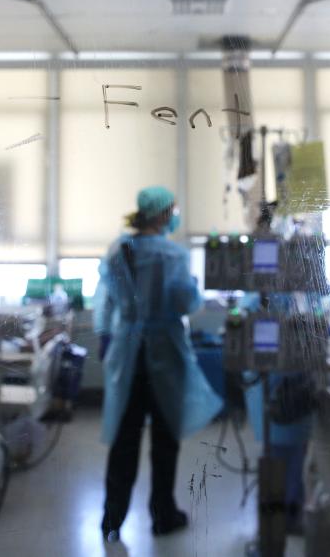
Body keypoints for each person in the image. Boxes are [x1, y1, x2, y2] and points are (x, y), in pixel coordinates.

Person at [94, 186, 224, 543]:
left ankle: (112, 519)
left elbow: (105, 300)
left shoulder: (119, 250)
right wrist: (195, 291)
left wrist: (106, 337)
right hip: (165, 355)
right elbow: (186, 302)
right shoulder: (172, 255)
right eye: (173, 210)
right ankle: (162, 514)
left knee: (125, 440)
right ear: (164, 214)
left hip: (128, 353)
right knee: (164, 441)